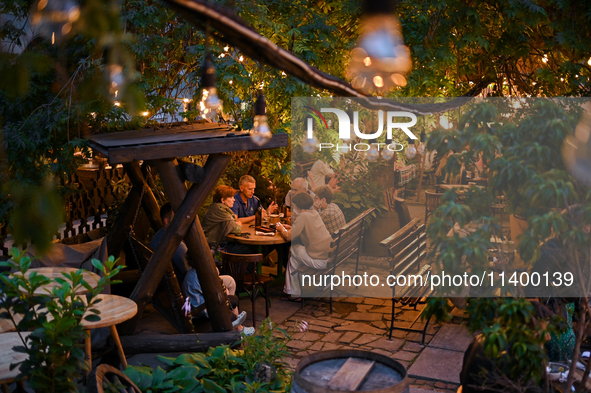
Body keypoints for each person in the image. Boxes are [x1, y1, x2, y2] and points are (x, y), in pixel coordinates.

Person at [150, 203, 253, 335]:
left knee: (230, 282)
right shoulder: (175, 245)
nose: (182, 222)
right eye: (178, 218)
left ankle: (233, 320)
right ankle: (231, 323)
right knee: (227, 290)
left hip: (178, 289)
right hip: (192, 294)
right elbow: (194, 272)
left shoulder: (158, 238)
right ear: (167, 221)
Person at [276, 192, 333, 300]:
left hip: (319, 261)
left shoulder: (302, 216)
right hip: (329, 257)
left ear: (297, 205)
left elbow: (288, 237)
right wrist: (291, 227)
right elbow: (304, 227)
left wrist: (281, 229)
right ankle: (293, 290)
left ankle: (293, 291)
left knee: (293, 249)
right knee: (294, 257)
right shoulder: (314, 213)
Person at [202, 185, 242, 249]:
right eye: (231, 197)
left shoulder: (217, 207)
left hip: (211, 244)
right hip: (209, 247)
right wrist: (239, 225)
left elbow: (233, 221)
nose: (234, 200)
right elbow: (236, 229)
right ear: (223, 200)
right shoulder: (220, 209)